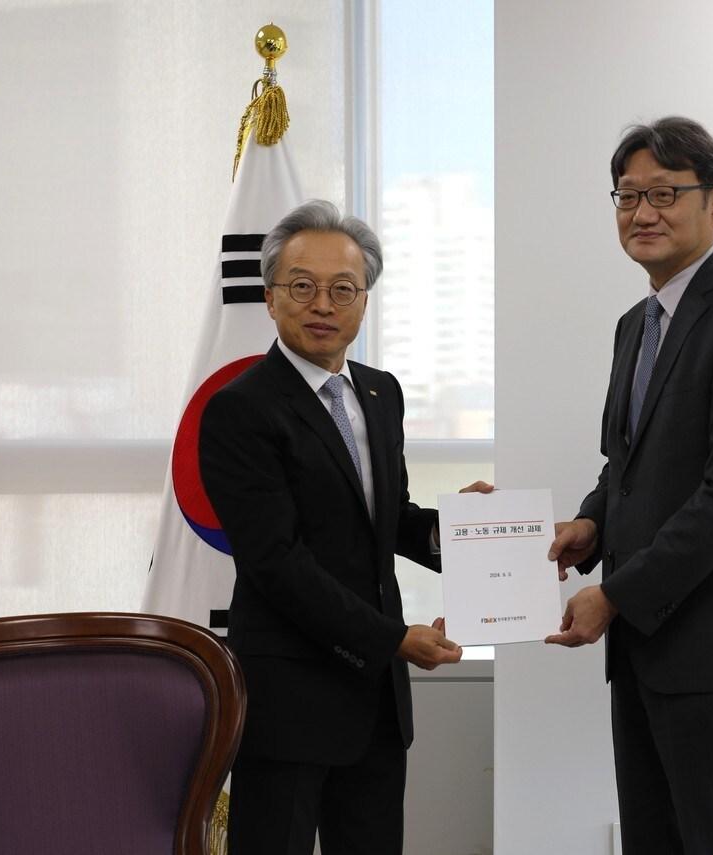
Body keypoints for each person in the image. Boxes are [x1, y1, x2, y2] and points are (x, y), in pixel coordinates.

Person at [546, 117, 713, 855]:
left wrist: (615, 594)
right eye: (628, 196)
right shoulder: (636, 324)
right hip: (647, 644)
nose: (643, 213)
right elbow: (627, 463)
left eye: (664, 194)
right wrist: (592, 523)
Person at [199, 199, 490, 855]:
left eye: (343, 289)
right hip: (289, 700)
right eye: (302, 286)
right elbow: (277, 563)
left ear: (365, 301)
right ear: (270, 297)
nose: (322, 305)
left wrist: (466, 532)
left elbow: (387, 519)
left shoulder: (381, 393)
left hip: (375, 703)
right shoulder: (240, 410)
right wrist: (394, 638)